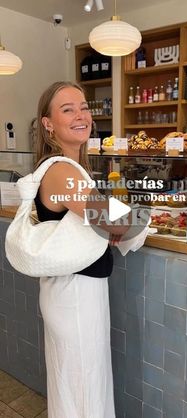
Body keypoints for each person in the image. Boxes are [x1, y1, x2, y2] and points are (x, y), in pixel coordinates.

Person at [35, 81, 127, 418]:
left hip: (75, 291)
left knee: (82, 383)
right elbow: (118, 224)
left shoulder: (72, 168)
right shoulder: (60, 171)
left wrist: (113, 219)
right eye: (68, 109)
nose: (81, 115)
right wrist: (126, 218)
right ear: (48, 123)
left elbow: (107, 221)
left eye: (84, 107)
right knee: (82, 385)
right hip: (73, 295)